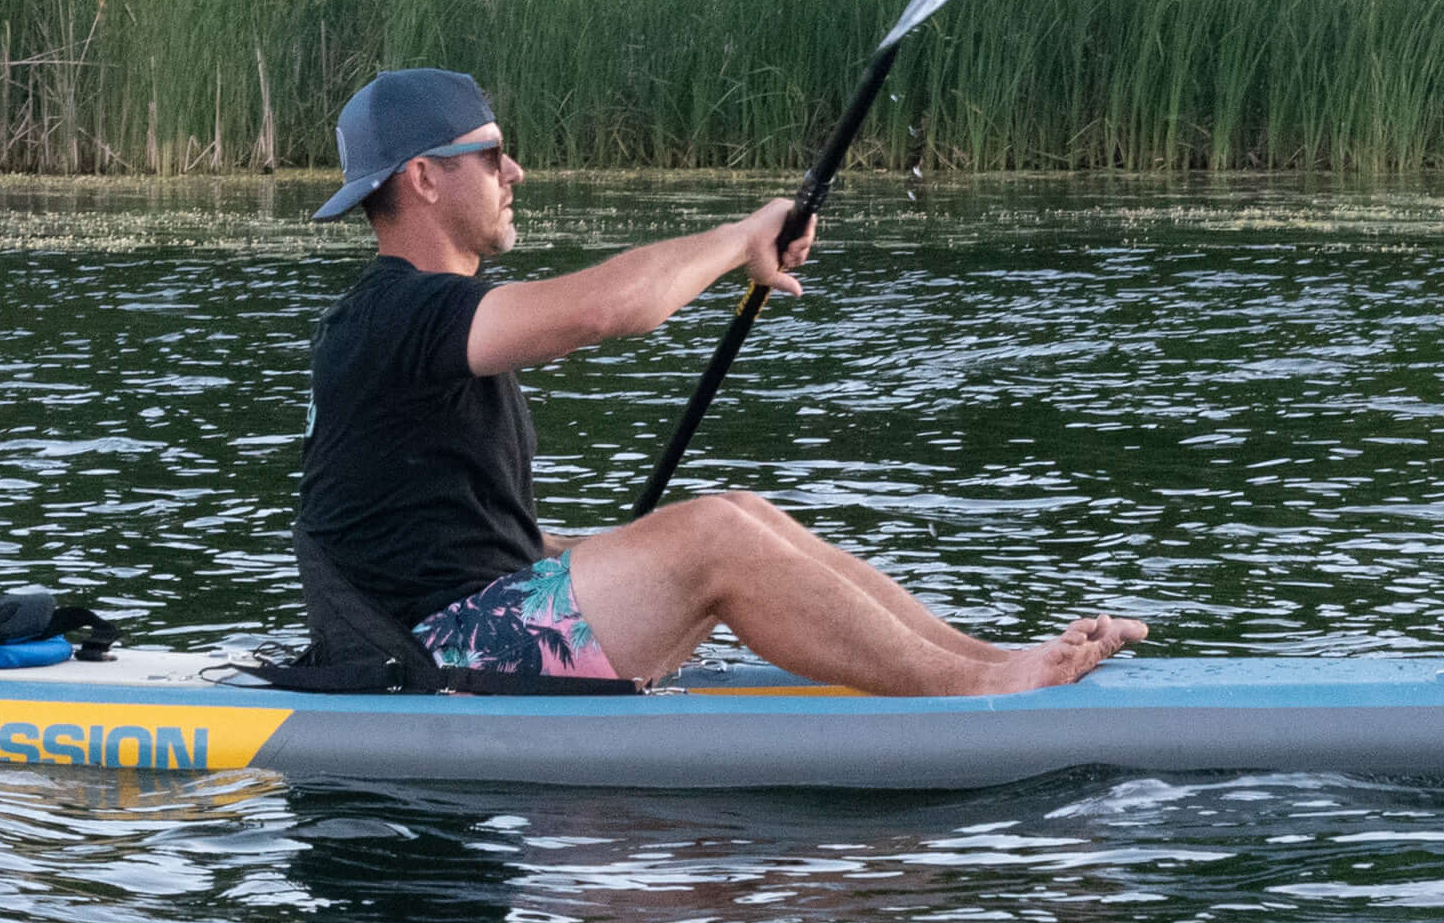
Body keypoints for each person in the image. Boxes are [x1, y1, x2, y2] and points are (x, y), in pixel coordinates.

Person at [294, 67, 1147, 695]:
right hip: (432, 651)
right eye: (492, 155)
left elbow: (461, 537)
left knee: (737, 510)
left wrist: (617, 564)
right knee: (710, 534)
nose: (513, 172)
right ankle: (976, 695)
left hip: (479, 613)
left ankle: (987, 660)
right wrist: (744, 236)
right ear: (423, 177)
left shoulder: (426, 323)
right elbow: (609, 309)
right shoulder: (394, 314)